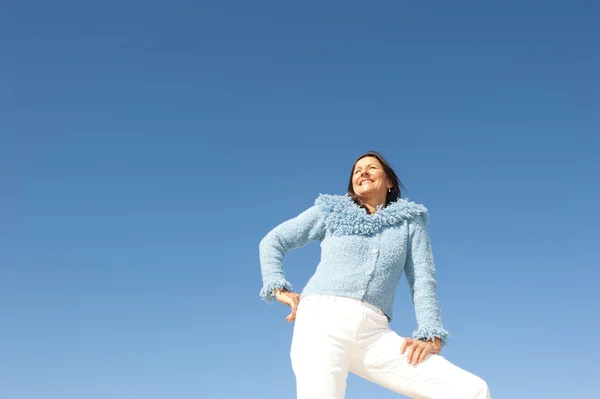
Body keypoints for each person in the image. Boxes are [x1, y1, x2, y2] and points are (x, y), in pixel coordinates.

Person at [258, 151, 491, 399]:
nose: (363, 172)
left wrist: (431, 334)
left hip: (374, 332)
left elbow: (423, 279)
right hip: (320, 321)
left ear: (389, 181)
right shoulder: (330, 212)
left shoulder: (409, 223)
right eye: (357, 171)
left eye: (371, 167)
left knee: (470, 390)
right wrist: (279, 288)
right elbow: (274, 240)